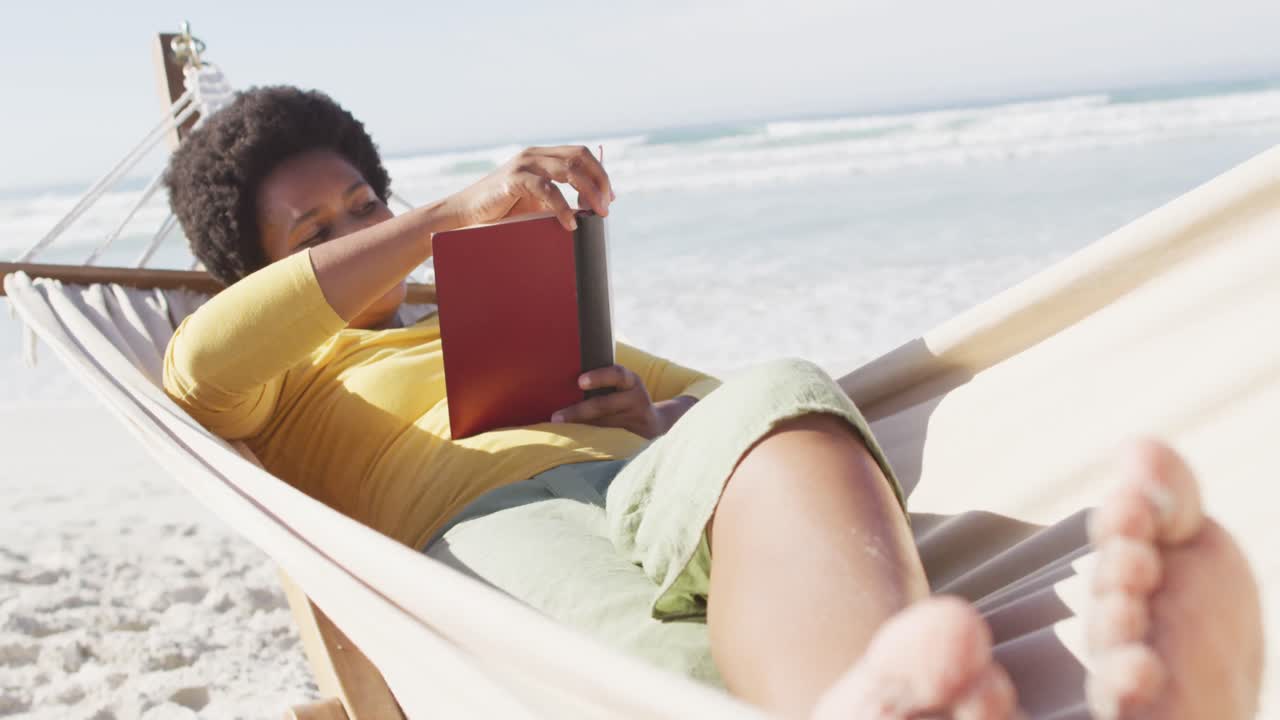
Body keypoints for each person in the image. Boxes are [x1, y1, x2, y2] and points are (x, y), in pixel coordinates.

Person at [162, 86, 1263, 719]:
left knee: (787, 395)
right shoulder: (278, 380)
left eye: (366, 203)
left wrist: (651, 413)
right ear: (263, 274)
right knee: (665, 682)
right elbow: (203, 360)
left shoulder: (468, 308)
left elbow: (722, 402)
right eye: (317, 234)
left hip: (654, 483)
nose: (360, 235)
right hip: (497, 523)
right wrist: (452, 212)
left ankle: (884, 697)